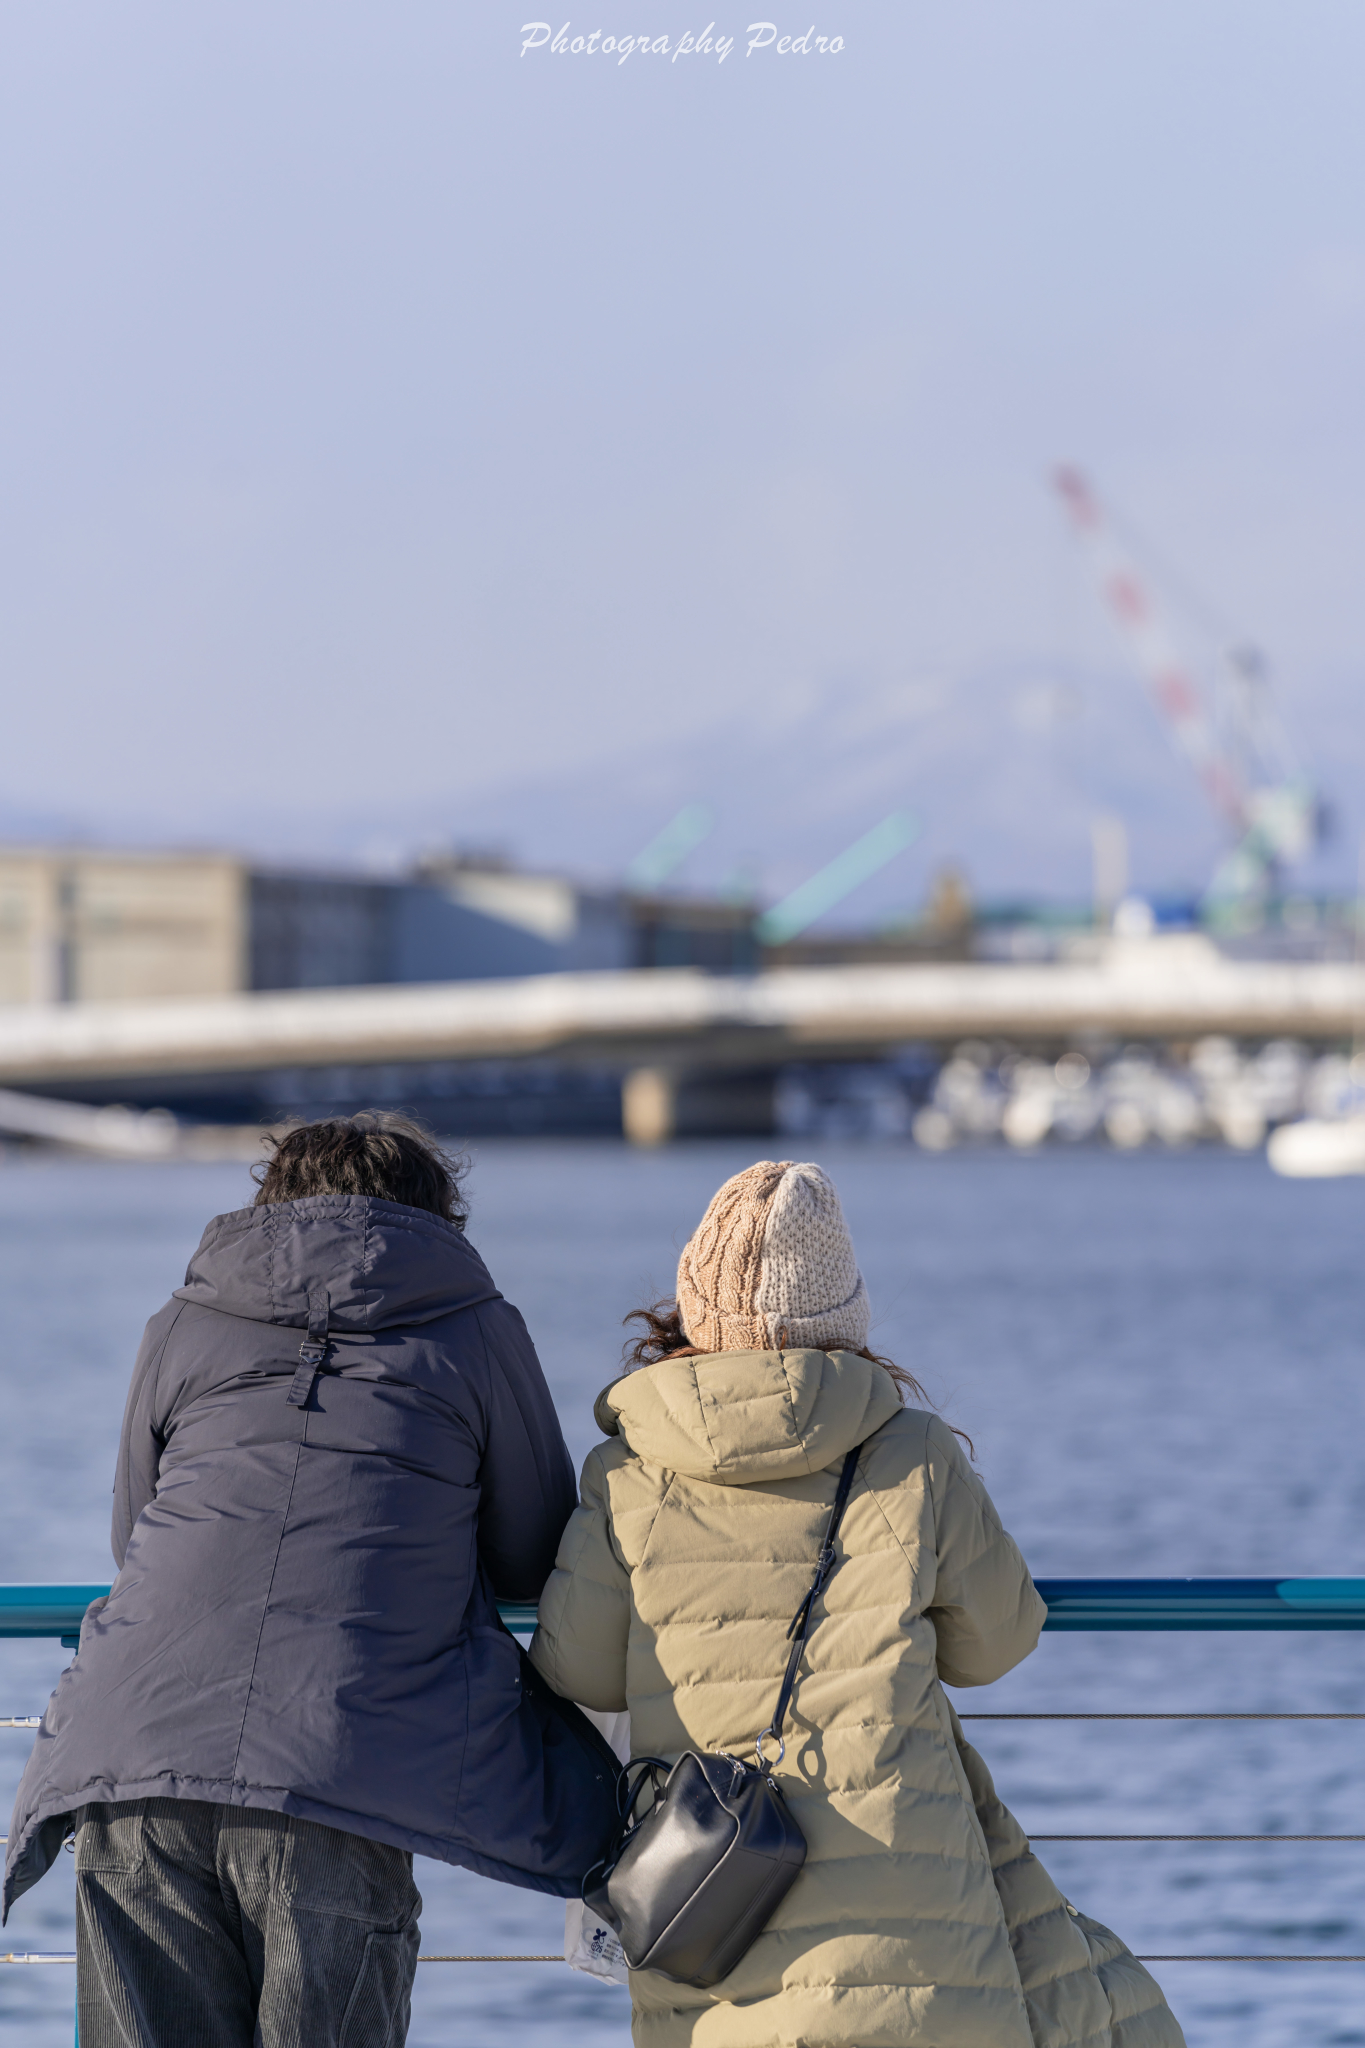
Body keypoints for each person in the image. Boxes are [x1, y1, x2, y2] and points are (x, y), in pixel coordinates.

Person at [531, 1158, 1186, 2048]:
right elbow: (994, 1646)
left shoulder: (626, 1473)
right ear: (839, 1316)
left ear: (693, 1307)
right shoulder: (910, 1452)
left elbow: (571, 1667)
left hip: (716, 1929)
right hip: (923, 1956)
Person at [3, 1112, 617, 2048]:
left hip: (133, 1749)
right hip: (337, 1770)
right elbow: (532, 1552)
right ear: (433, 1216)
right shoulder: (476, 1328)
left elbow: (137, 1536)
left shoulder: (185, 1321)